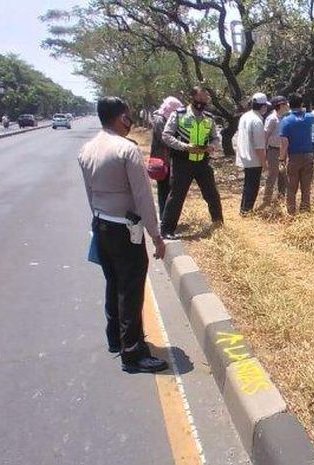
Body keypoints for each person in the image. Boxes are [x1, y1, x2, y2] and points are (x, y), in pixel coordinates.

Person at [77, 96, 168, 374]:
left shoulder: (87, 149)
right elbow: (143, 197)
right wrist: (156, 235)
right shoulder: (126, 150)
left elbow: (90, 194)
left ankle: (115, 339)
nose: (130, 121)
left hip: (102, 224)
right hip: (125, 229)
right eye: (127, 116)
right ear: (120, 118)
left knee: (113, 284)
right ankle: (133, 354)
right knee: (130, 290)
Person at [160, 86, 223, 239]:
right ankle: (167, 230)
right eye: (199, 99)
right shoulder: (179, 115)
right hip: (183, 162)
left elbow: (215, 137)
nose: (202, 102)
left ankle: (219, 224)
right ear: (192, 98)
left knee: (212, 194)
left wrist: (212, 146)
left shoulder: (209, 118)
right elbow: (166, 136)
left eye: (205, 100)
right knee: (177, 196)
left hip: (202, 162)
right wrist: (185, 147)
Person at [279, 93, 314, 215]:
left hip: (293, 157)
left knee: (291, 189)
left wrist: (282, 159)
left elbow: (284, 142)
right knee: (306, 188)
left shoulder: (286, 121)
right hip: (308, 156)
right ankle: (305, 213)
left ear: (289, 105)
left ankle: (291, 213)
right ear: (302, 104)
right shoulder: (308, 118)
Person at [150, 96, 184, 217]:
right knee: (164, 191)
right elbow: (165, 139)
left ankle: (166, 216)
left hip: (167, 160)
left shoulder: (165, 118)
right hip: (162, 161)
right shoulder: (160, 119)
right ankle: (164, 217)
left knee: (168, 190)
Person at [236, 93, 269, 215]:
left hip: (245, 156)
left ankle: (244, 209)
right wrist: (264, 163)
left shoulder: (245, 116)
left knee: (248, 184)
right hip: (254, 158)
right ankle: (246, 210)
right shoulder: (257, 121)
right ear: (263, 106)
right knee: (252, 186)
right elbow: (259, 146)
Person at [261, 95, 289, 206]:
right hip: (273, 150)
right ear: (280, 105)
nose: (287, 106)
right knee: (272, 176)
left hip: (282, 151)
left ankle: (281, 200)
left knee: (283, 176)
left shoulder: (283, 118)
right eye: (285, 104)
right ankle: (266, 202)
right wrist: (264, 153)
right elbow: (265, 136)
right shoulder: (272, 118)